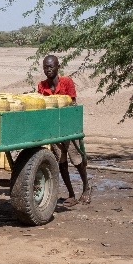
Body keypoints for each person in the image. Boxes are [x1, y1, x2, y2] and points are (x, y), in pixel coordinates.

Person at [37, 55, 90, 205]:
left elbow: (72, 103)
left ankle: (86, 187)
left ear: (58, 67)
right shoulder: (42, 86)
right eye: (46, 67)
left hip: (68, 128)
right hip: (54, 129)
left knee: (77, 160)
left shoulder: (66, 82)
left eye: (51, 67)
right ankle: (71, 194)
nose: (48, 70)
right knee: (61, 161)